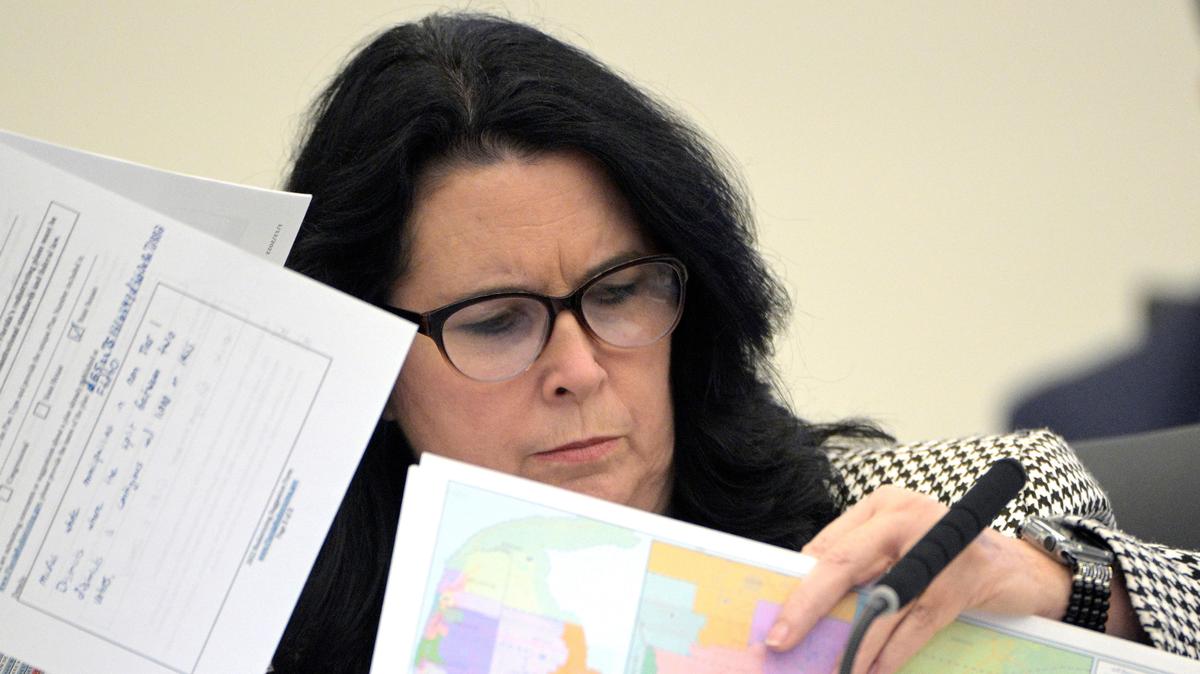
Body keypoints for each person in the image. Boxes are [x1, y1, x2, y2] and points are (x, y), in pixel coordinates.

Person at [262, 12, 1198, 673]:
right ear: (368, 357)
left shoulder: (935, 514)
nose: (580, 370)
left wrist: (1068, 591)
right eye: (498, 321)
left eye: (621, 293)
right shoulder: (256, 611)